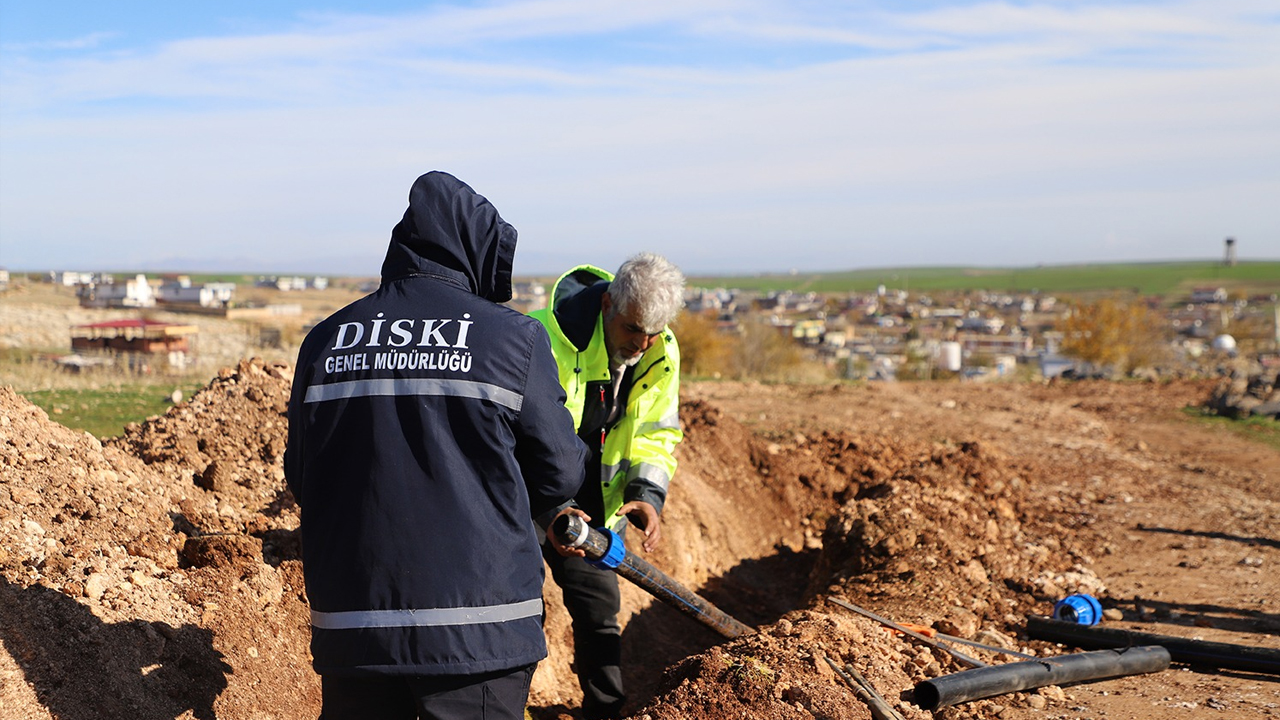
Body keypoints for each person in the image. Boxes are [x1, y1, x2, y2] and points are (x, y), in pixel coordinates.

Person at [284, 171, 588, 720]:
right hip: (480, 634)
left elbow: (303, 478)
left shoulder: (325, 341)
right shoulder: (512, 338)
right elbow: (560, 474)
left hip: (356, 632)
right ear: (477, 249)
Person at [530, 253, 686, 719]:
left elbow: (656, 433)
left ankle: (606, 711)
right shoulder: (541, 337)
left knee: (600, 605)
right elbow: (520, 439)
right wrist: (555, 505)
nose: (641, 344)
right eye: (633, 329)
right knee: (515, 600)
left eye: (652, 334)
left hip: (589, 507)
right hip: (527, 496)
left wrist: (645, 493)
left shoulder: (660, 351)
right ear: (607, 306)